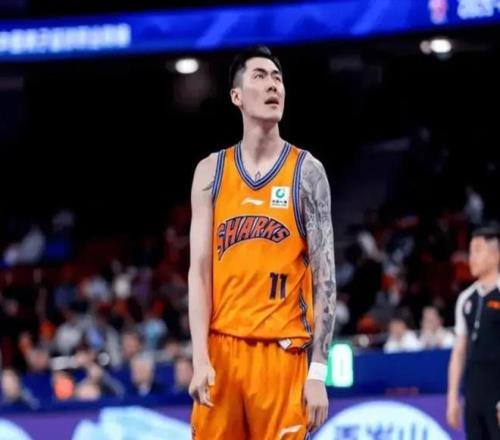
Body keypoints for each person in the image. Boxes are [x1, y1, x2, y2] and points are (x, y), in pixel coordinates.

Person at [188, 45, 337, 439]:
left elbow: (326, 278)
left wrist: (318, 371)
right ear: (236, 96)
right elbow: (199, 272)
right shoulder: (210, 172)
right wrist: (199, 357)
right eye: (260, 76)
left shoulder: (307, 172)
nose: (273, 85)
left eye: (278, 78)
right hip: (222, 351)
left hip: (282, 353)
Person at [447, 225, 500, 439]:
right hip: (474, 394)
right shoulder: (465, 299)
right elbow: (459, 352)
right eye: (470, 251)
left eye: (478, 250)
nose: (472, 258)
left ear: (496, 255)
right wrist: (452, 397)